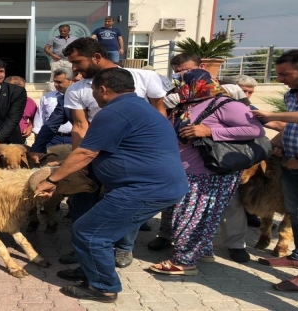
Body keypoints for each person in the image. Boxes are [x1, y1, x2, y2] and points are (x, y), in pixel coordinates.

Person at [34, 68, 188, 303]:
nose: (92, 95)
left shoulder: (116, 112)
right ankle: (90, 269)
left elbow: (86, 152)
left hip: (144, 188)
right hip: (153, 186)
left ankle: (103, 287)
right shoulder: (142, 107)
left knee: (91, 232)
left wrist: (51, 179)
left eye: (93, 90)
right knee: (94, 228)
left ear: (103, 89)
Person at [48, 37, 166, 268]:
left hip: (133, 156)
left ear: (97, 57)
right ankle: (83, 247)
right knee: (83, 201)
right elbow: (80, 126)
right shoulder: (77, 90)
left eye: (77, 62)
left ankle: (124, 247)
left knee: (126, 203)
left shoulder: (144, 78)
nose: (74, 69)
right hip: (93, 151)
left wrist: (158, 151)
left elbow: (159, 113)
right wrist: (80, 163)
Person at [148, 69, 264, 276]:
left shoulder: (227, 104)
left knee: (191, 218)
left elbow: (255, 130)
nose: (183, 87)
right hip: (186, 170)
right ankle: (204, 251)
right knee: (195, 216)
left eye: (187, 83)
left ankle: (184, 262)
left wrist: (210, 131)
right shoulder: (185, 104)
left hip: (210, 172)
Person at [253, 49, 298, 293]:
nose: (280, 79)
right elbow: (290, 127)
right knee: (295, 214)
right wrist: (274, 145)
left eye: (285, 74)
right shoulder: (292, 95)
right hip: (292, 164)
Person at [31, 68, 75, 151]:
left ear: (71, 81)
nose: (55, 84)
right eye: (54, 81)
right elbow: (40, 119)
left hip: (73, 138)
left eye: (59, 82)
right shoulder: (47, 97)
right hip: (52, 138)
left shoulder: (80, 98)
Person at [4, 76, 37, 141]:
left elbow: (35, 117)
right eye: (14, 88)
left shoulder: (29, 102)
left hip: (20, 138)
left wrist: (29, 127)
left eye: (21, 89)